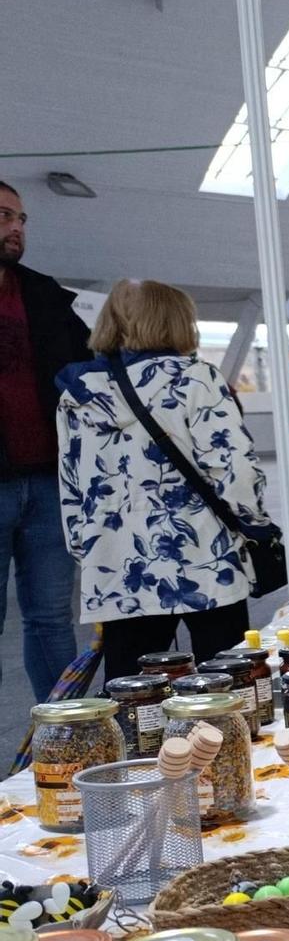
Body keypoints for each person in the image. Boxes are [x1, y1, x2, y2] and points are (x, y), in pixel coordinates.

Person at [57, 280, 271, 679]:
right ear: (175, 321)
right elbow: (233, 468)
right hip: (205, 553)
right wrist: (254, 521)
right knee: (227, 678)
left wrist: (90, 551)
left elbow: (71, 486)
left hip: (118, 562)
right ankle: (226, 742)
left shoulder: (78, 390)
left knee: (135, 691)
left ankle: (150, 742)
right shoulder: (196, 379)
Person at [0, 179, 86, 699]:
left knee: (52, 618)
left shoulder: (45, 295)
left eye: (22, 219)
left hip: (48, 482)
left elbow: (92, 366)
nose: (16, 228)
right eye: (5, 216)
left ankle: (67, 736)